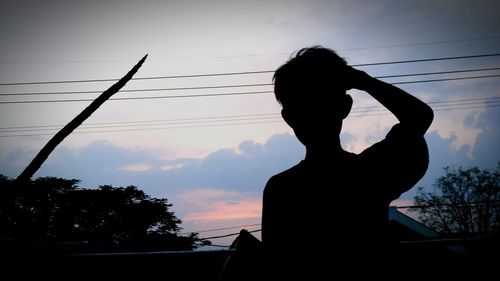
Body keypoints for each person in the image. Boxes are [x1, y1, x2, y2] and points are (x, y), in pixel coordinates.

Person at [261, 46, 433, 278]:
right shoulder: (372, 170)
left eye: (319, 104)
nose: (313, 115)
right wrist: (364, 81)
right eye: (305, 107)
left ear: (288, 118)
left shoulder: (281, 188)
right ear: (345, 107)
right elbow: (419, 116)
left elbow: (275, 266)